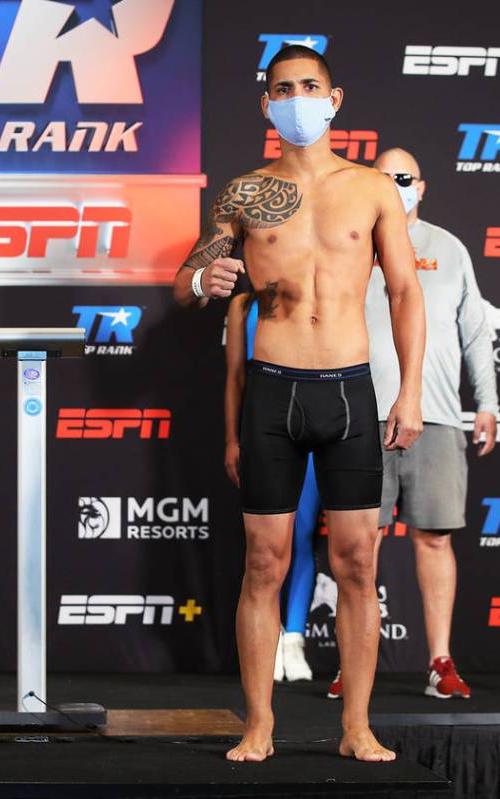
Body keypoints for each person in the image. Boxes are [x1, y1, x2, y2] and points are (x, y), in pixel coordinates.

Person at [174, 45, 425, 762]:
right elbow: (185, 278)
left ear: (334, 98)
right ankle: (259, 724)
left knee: (355, 563)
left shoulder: (373, 189)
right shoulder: (242, 193)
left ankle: (355, 727)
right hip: (273, 393)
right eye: (282, 88)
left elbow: (404, 292)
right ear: (266, 104)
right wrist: (203, 283)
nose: (296, 98)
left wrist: (407, 389)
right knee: (263, 562)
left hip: (347, 390)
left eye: (308, 86)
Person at [326, 147, 498, 701]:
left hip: (440, 414)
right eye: (383, 176)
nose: (394, 185)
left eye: (403, 177)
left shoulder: (449, 248)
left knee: (434, 538)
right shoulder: (350, 242)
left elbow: (475, 331)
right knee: (360, 544)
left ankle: (440, 662)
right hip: (361, 414)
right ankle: (353, 664)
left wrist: (487, 403)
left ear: (422, 186)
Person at [224, 292, 318, 683]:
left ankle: (294, 636)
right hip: (264, 428)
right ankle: (272, 638)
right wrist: (232, 439)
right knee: (265, 546)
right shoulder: (243, 304)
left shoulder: (313, 287)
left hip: (316, 425)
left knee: (303, 534)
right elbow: (235, 377)